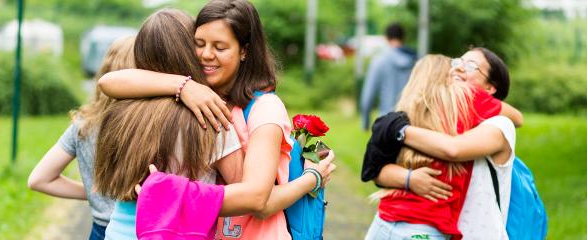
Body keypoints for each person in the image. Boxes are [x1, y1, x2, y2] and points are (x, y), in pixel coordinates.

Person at [97, 2, 335, 239]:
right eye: (198, 44)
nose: (205, 54)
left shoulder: (125, 110)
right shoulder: (204, 107)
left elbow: (256, 198)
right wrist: (184, 86)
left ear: (244, 50)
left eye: (219, 47)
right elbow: (108, 81)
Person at [363, 48, 522, 239]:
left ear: (490, 89)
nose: (459, 69)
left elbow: (453, 149)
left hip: (462, 231)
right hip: (401, 222)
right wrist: (409, 178)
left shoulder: (493, 119)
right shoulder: (425, 114)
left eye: (471, 66)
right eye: (457, 62)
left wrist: (400, 131)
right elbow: (375, 172)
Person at [27, 36, 135, 240]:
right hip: (136, 231)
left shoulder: (83, 125)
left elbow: (39, 179)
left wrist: (92, 193)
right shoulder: (148, 125)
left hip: (99, 231)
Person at [359, 22, 417, 130]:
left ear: (386, 38)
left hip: (387, 123)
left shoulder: (379, 60)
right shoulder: (416, 60)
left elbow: (368, 95)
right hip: (412, 123)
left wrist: (365, 123)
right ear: (403, 37)